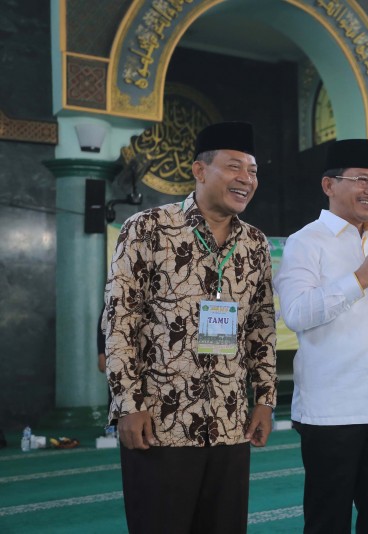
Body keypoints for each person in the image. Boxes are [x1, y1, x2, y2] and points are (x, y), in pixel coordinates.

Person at [104, 122, 277, 534]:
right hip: (161, 423)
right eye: (234, 167)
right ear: (200, 171)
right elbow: (120, 319)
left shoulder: (255, 244)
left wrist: (265, 399)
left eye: (253, 171)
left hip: (230, 421)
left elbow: (261, 326)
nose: (246, 179)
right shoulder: (148, 227)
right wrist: (128, 404)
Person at [274, 139, 368, 534]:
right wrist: (360, 278)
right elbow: (296, 314)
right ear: (329, 185)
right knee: (328, 521)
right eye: (362, 180)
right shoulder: (306, 241)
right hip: (334, 413)